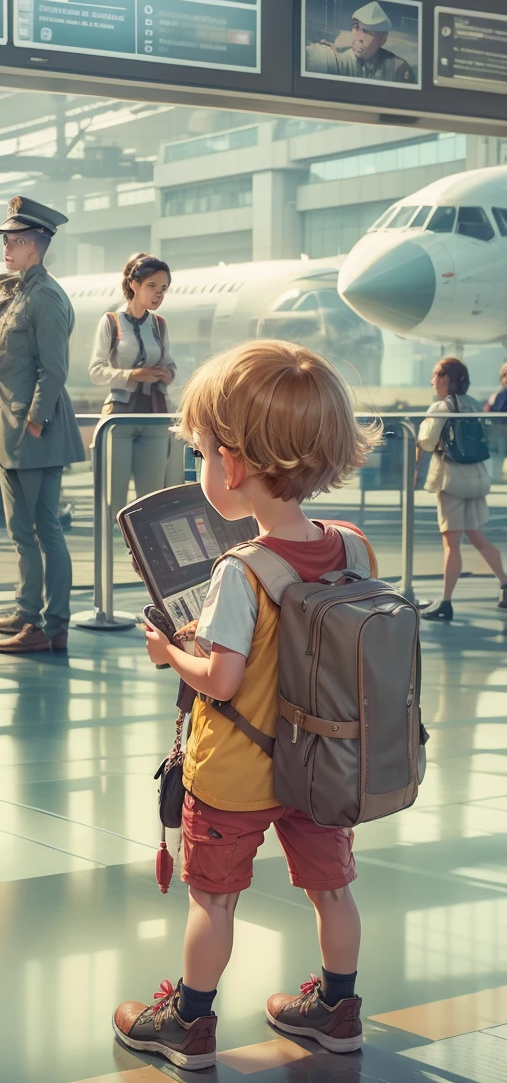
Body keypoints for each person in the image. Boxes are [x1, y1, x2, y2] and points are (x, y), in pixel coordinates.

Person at [113, 340, 379, 1070]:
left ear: (231, 465)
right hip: (323, 766)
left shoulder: (240, 569)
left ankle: (189, 1024)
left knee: (215, 902)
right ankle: (337, 1007)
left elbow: (223, 680)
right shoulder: (354, 549)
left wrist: (172, 652)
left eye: (201, 451)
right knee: (333, 890)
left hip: (237, 772)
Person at [0, 197, 85, 656]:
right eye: (7, 241)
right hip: (10, 430)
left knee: (44, 529)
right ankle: (28, 611)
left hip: (34, 431)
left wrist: (33, 424)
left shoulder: (46, 297)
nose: (7, 249)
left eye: (15, 241)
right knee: (22, 531)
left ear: (37, 246)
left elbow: (53, 370)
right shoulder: (18, 296)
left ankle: (51, 625)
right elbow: (10, 370)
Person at [418, 356, 506, 622]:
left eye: (435, 375)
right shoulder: (473, 404)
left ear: (446, 379)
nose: (432, 380)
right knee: (477, 537)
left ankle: (445, 602)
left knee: (451, 544)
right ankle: (505, 583)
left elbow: (426, 441)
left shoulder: (440, 407)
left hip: (452, 480)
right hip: (477, 477)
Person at [89, 252, 175, 516]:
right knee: (112, 499)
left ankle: (140, 556)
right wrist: (132, 375)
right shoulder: (111, 322)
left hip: (155, 416)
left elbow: (170, 364)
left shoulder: (159, 325)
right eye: (152, 286)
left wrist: (166, 374)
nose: (158, 294)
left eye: (163, 289)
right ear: (133, 285)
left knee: (151, 501)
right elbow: (96, 371)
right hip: (120, 417)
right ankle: (108, 552)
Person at [305, 0, 414, 85]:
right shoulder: (340, 57)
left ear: (382, 38)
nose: (358, 37)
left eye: (367, 31)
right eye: (356, 27)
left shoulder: (398, 69)